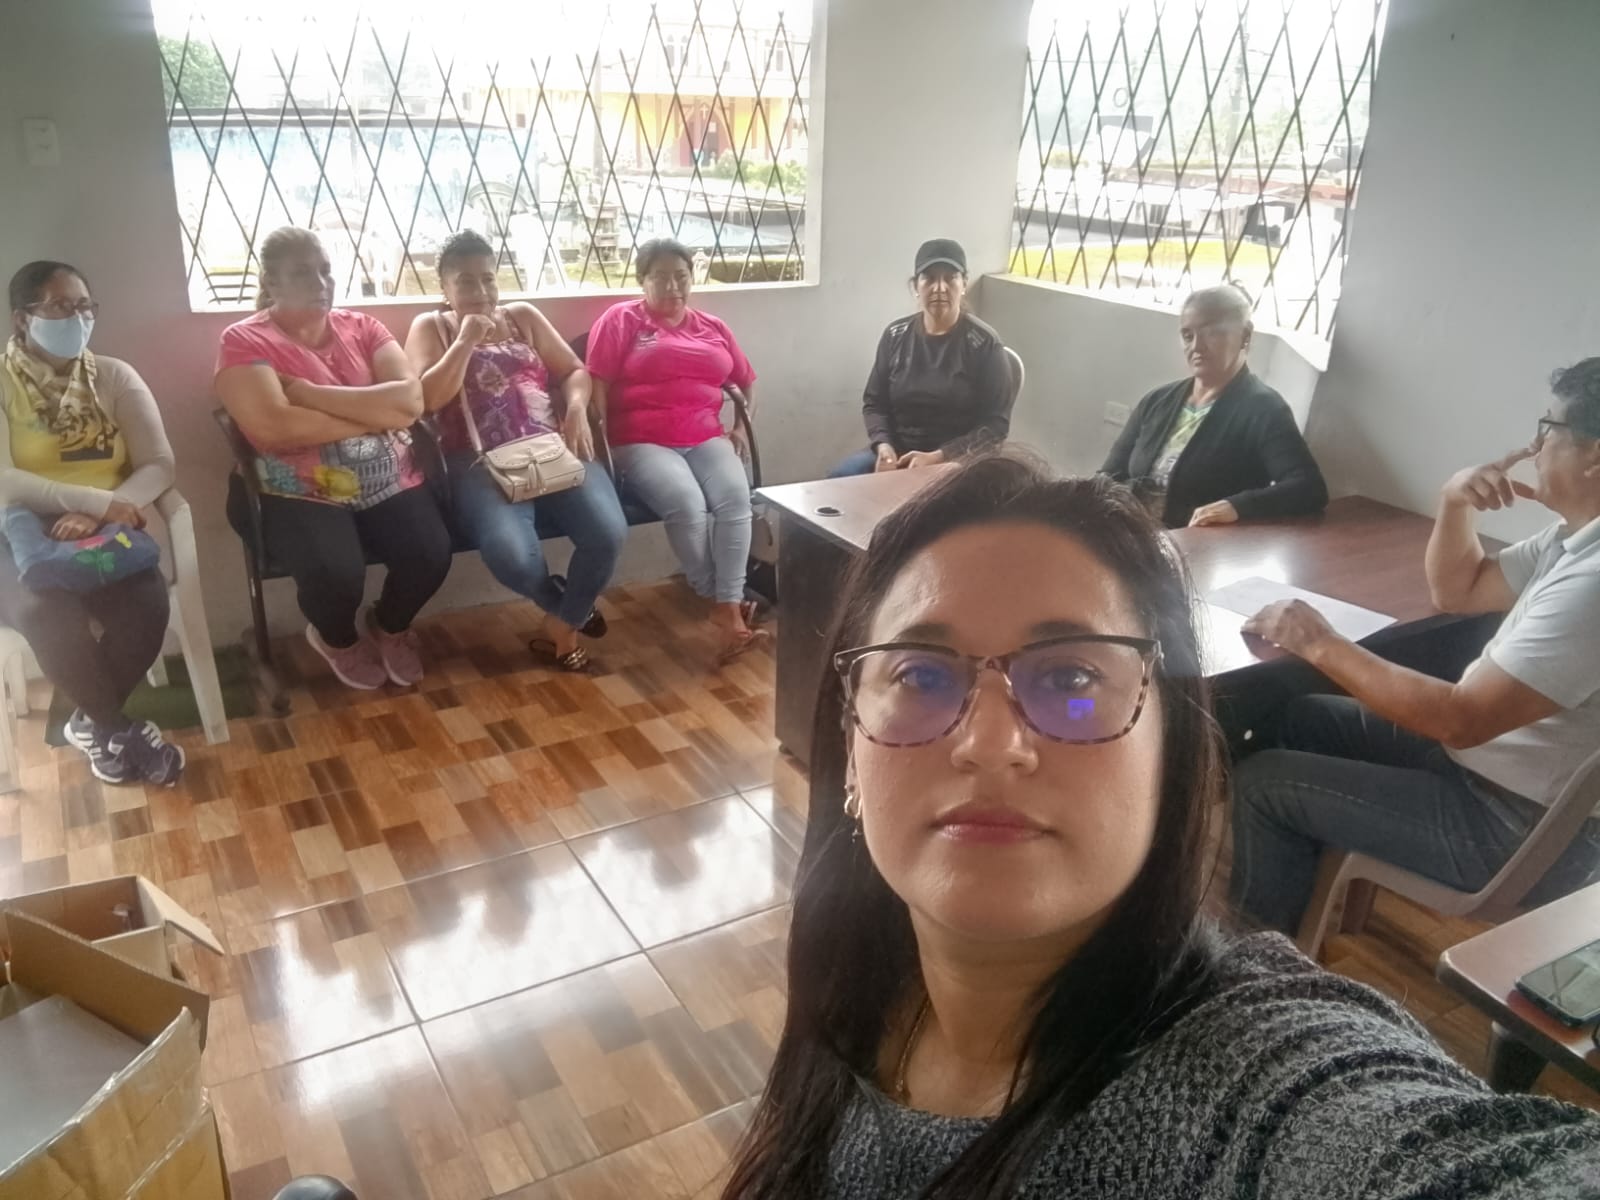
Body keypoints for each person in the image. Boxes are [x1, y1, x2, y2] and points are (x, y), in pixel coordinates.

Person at [719, 452, 1600, 1199]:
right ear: (849, 743)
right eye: (919, 675)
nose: (990, 745)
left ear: (1169, 758)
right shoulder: (849, 969)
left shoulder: (1266, 1087)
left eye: (1071, 680)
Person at [1232, 359, 1600, 935]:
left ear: (1594, 456)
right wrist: (1454, 502)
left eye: (1548, 429)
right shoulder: (1572, 540)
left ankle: (1250, 969)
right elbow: (1458, 590)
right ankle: (1298, 909)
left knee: (1264, 785)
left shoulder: (1594, 585)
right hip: (1487, 771)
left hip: (1517, 827)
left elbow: (1461, 719)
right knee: (1302, 715)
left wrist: (1319, 642)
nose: (1533, 447)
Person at [216, 227, 451, 691]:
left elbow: (410, 403)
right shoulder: (245, 340)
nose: (321, 283)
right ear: (272, 281)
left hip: (385, 478)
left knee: (430, 554)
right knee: (335, 573)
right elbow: (274, 429)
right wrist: (372, 416)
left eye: (325, 270)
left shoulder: (364, 327)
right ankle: (337, 639)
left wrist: (307, 394)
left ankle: (390, 625)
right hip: (293, 488)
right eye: (303, 273)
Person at [404, 230, 626, 673]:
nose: (481, 291)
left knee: (608, 533)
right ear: (444, 288)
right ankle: (565, 606)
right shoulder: (431, 327)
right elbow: (426, 400)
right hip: (478, 462)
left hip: (552, 445)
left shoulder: (523, 316)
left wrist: (576, 408)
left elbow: (573, 370)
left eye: (488, 279)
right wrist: (465, 340)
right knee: (512, 555)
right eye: (466, 282)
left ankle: (562, 625)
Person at [0, 261, 185, 786]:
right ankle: (115, 728)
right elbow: (4, 480)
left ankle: (93, 723)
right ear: (22, 318)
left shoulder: (114, 376)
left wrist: (101, 511)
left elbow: (159, 464)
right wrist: (93, 502)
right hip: (16, 531)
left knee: (146, 606)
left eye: (84, 306)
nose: (78, 317)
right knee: (46, 611)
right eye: (61, 306)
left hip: (105, 525)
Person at [585, 237, 763, 663]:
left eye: (681, 276)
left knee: (736, 499)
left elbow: (747, 382)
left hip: (705, 436)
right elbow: (597, 386)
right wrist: (601, 444)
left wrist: (741, 428)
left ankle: (727, 606)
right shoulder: (621, 319)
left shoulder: (712, 326)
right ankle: (722, 599)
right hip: (640, 439)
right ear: (642, 280)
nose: (672, 286)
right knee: (686, 504)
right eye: (660, 277)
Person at [1100, 284, 1328, 528]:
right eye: (1188, 336)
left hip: (1198, 545)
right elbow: (1110, 476)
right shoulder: (1157, 401)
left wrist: (1237, 507)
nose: (1196, 347)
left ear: (1245, 335)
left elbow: (1308, 487)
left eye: (1211, 334)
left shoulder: (1264, 410)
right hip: (1134, 536)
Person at [830, 239, 1014, 478]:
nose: (940, 288)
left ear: (964, 284)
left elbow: (996, 426)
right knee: (840, 478)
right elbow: (875, 403)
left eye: (950, 278)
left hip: (958, 461)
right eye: (929, 278)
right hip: (898, 453)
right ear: (916, 285)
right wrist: (884, 447)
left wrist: (939, 457)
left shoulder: (984, 343)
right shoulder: (895, 335)